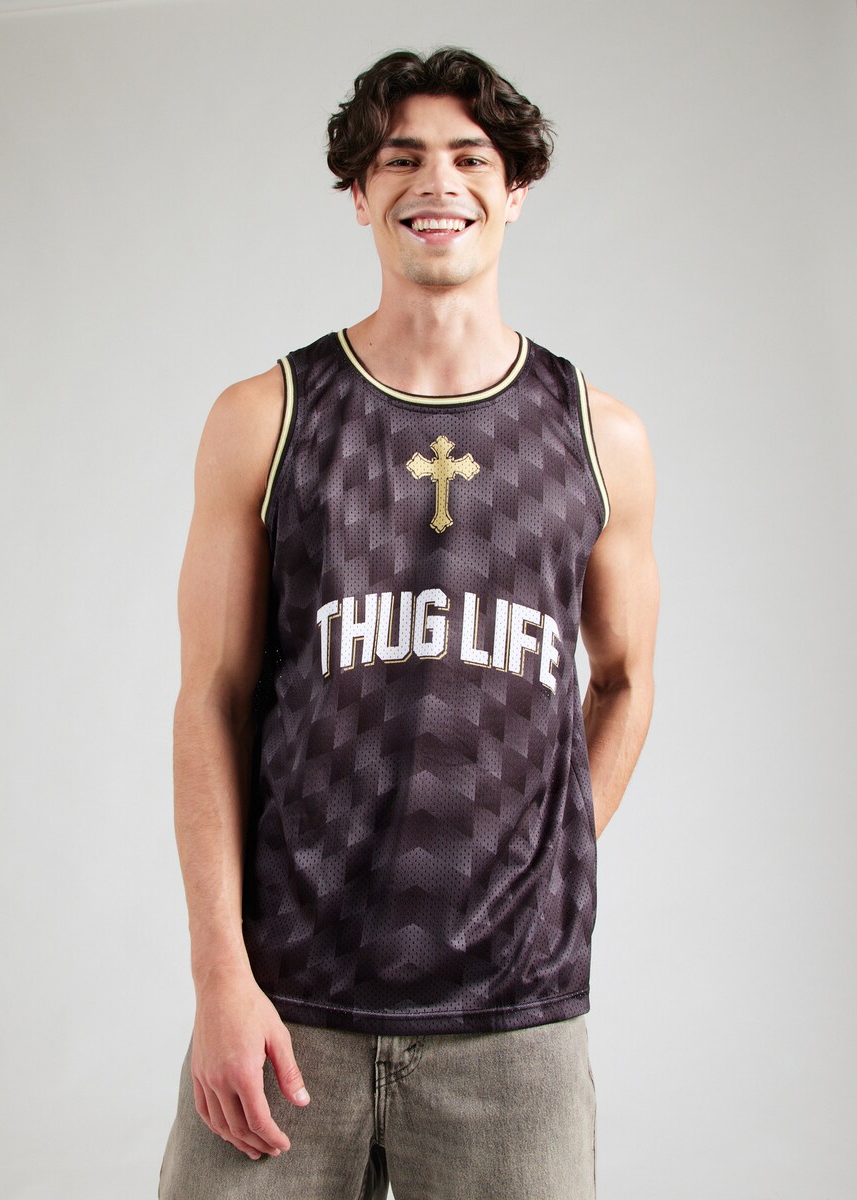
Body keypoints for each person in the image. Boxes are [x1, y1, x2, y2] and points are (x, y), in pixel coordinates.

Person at [159, 46, 659, 1200]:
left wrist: (552, 857)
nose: (439, 182)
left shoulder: (600, 435)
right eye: (402, 159)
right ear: (359, 192)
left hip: (512, 1023)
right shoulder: (268, 417)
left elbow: (626, 680)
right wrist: (220, 978)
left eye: (471, 158)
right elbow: (210, 703)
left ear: (516, 189)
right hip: (288, 1007)